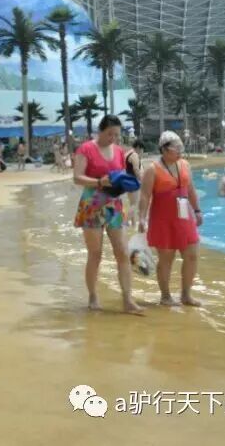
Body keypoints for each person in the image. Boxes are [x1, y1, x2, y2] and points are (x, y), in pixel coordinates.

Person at [72, 115, 142, 314]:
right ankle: (93, 296)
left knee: (123, 252)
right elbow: (77, 177)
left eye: (117, 135)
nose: (113, 138)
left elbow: (125, 180)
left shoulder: (119, 152)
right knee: (95, 254)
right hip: (92, 204)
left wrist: (134, 206)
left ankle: (127, 299)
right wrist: (98, 182)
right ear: (100, 131)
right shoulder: (86, 149)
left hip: (114, 204)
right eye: (110, 133)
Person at [137, 132, 203, 306]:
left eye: (181, 147)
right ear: (165, 150)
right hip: (163, 219)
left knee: (192, 255)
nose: (180, 151)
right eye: (176, 148)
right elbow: (145, 196)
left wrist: (197, 210)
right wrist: (142, 218)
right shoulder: (152, 169)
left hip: (184, 216)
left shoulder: (185, 164)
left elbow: (191, 189)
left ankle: (186, 295)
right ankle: (165, 296)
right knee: (167, 258)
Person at [124, 140, 145, 227]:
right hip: (134, 182)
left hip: (128, 181)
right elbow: (136, 170)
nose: (142, 152)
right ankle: (125, 222)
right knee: (134, 204)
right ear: (139, 147)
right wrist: (141, 181)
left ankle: (133, 224)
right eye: (142, 149)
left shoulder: (128, 153)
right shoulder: (134, 155)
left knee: (132, 203)